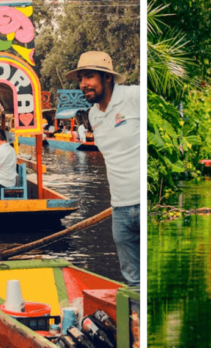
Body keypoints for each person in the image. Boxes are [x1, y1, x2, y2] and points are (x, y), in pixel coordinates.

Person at [66, 51, 139, 287]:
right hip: (119, 209)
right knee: (131, 279)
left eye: (89, 76)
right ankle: (137, 321)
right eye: (80, 79)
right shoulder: (93, 115)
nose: (83, 84)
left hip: (142, 201)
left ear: (107, 77)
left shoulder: (134, 96)